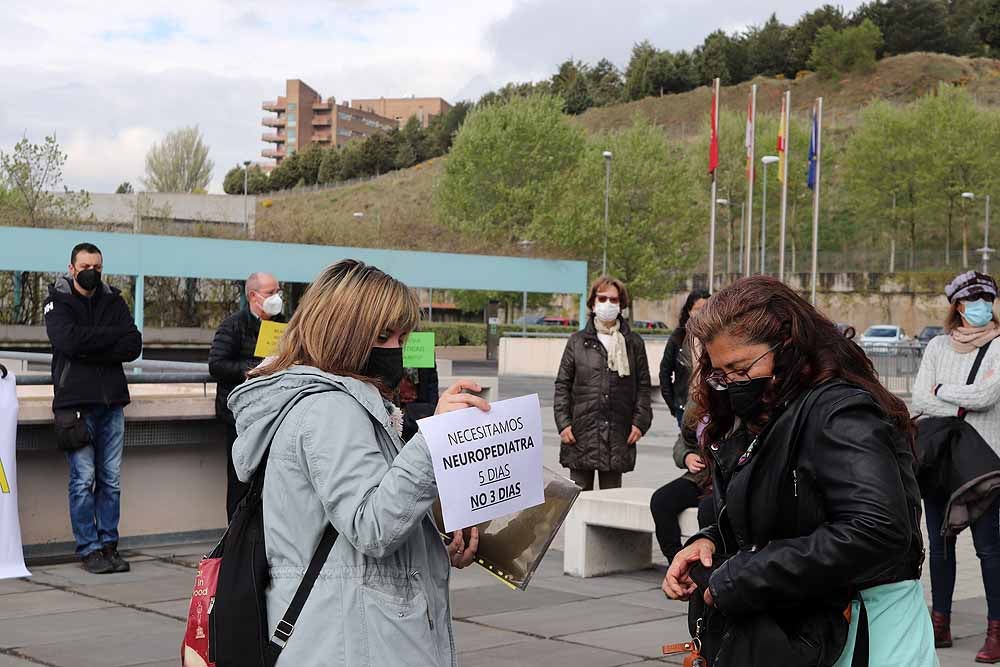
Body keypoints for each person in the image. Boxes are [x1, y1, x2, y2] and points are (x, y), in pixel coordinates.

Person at [663, 276, 934, 666]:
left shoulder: (839, 412)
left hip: (865, 630)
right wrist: (709, 541)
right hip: (803, 626)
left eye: (741, 369)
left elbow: (877, 529)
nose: (732, 385)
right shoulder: (766, 411)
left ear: (787, 346)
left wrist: (744, 575)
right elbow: (779, 509)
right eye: (722, 374)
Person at [228, 259, 487, 666]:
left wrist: (433, 536)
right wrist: (435, 437)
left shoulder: (329, 402)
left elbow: (349, 518)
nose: (396, 349)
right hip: (351, 638)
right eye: (384, 336)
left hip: (346, 629)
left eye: (402, 336)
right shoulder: (330, 410)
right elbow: (372, 526)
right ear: (345, 333)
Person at [913, 270, 1000, 662]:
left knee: (989, 548)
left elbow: (987, 395)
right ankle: (940, 623)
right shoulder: (936, 347)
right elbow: (919, 396)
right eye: (973, 300)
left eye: (987, 299)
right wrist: (952, 401)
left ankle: (996, 628)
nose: (981, 307)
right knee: (940, 547)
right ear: (958, 306)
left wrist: (943, 393)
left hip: (985, 461)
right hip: (939, 462)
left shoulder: (998, 346)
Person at [44, 243, 143, 574]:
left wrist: (89, 344)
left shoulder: (113, 299)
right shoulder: (56, 301)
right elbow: (66, 342)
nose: (92, 272)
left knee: (111, 480)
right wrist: (108, 340)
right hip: (76, 407)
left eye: (98, 267)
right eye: (86, 265)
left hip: (111, 403)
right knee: (83, 479)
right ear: (72, 268)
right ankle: (88, 548)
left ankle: (109, 544)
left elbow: (132, 344)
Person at [554, 276, 652, 491]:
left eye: (614, 300)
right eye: (603, 298)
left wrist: (640, 422)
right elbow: (563, 384)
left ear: (621, 304)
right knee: (578, 500)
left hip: (618, 433)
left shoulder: (633, 343)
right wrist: (563, 423)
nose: (608, 303)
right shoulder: (577, 341)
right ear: (593, 302)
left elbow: (644, 386)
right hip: (580, 433)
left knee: (611, 500)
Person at [208, 272, 286, 519]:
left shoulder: (283, 325)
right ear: (253, 296)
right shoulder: (233, 325)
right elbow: (217, 365)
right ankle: (235, 538)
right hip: (240, 417)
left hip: (273, 413)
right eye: (270, 292)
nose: (277, 298)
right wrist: (252, 370)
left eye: (278, 291)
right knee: (240, 479)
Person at [649, 427, 714, 562]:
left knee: (708, 509)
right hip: (700, 477)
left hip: (729, 480)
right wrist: (687, 456)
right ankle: (677, 561)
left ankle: (711, 565)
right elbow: (682, 441)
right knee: (661, 500)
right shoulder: (696, 408)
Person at [660, 289, 709, 428]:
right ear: (689, 311)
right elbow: (665, 372)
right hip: (685, 406)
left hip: (711, 408)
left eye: (706, 309)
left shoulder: (716, 339)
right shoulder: (678, 338)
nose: (701, 314)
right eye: (697, 309)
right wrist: (673, 404)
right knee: (688, 445)